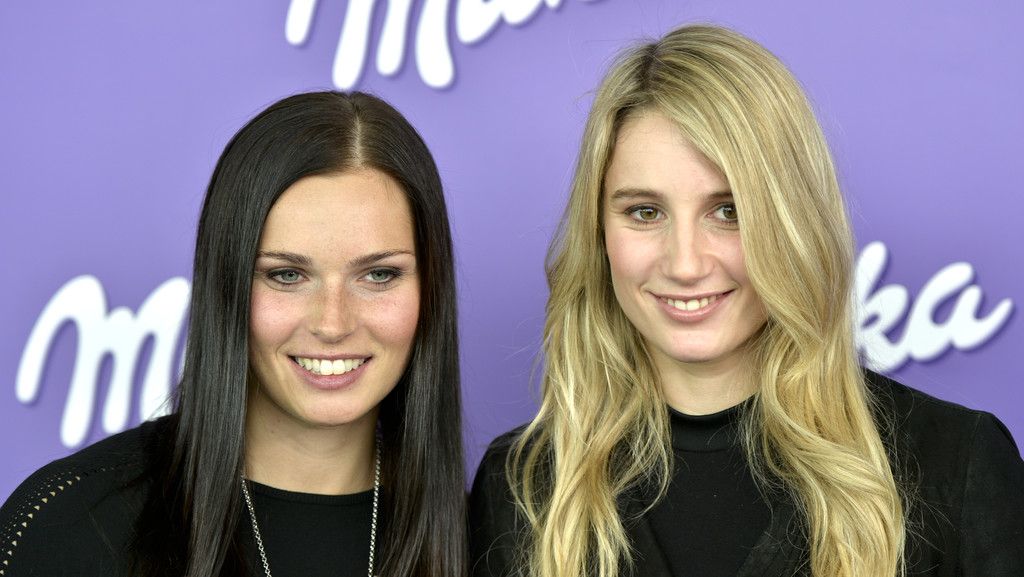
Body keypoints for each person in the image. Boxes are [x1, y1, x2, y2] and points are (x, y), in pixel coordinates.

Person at [469, 24, 1024, 577]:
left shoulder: (956, 465)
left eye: (728, 211)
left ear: (793, 223)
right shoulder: (520, 487)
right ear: (599, 233)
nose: (685, 264)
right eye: (645, 212)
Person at [0, 91, 467, 577]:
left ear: (431, 287)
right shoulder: (68, 525)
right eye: (286, 275)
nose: (333, 323)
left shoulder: (490, 539)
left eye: (379, 275)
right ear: (225, 285)